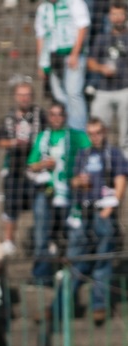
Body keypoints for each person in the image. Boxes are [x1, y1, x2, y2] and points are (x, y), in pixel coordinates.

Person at [62, 116, 127, 324]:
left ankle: (98, 305)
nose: (95, 137)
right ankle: (65, 304)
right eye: (91, 133)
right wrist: (78, 181)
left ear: (104, 131)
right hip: (83, 213)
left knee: (102, 262)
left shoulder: (113, 154)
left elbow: (120, 182)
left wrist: (109, 209)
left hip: (103, 214)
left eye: (98, 132)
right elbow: (72, 181)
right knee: (74, 260)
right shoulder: (83, 154)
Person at [27, 100, 89, 285]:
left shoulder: (76, 136)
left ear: (65, 117)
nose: (55, 118)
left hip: (70, 191)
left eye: (59, 114)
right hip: (47, 191)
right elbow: (31, 165)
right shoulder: (42, 138)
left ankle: (72, 271)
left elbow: (90, 151)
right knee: (41, 231)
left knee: (71, 232)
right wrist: (44, 164)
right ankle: (42, 274)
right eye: (52, 114)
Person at [0, 80, 46, 256]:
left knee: (41, 205)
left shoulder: (40, 116)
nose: (24, 98)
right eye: (21, 94)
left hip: (36, 168)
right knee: (10, 205)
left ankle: (47, 240)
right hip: (15, 168)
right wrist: (15, 142)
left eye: (27, 94)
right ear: (15, 97)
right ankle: (9, 241)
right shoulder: (9, 118)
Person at [35, 0, 90, 132]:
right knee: (59, 95)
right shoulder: (43, 9)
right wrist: (41, 63)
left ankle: (79, 130)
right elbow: (41, 36)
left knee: (73, 93)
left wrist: (75, 54)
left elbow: (82, 26)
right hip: (53, 57)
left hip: (71, 54)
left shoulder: (74, 3)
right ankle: (66, 128)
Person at [87, 0, 128, 158]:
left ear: (125, 16)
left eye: (120, 14)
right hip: (104, 90)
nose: (117, 18)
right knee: (99, 130)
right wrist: (101, 68)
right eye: (114, 14)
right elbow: (90, 62)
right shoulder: (102, 38)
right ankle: (103, 166)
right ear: (109, 16)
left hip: (125, 89)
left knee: (126, 136)